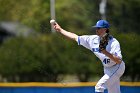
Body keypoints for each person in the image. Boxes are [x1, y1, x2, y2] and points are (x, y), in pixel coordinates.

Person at [51, 19, 125, 93]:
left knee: (99, 87)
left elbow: (118, 61)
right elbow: (75, 37)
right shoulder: (92, 39)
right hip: (107, 68)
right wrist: (60, 30)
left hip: (117, 67)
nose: (96, 30)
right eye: (96, 28)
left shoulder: (114, 43)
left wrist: (105, 52)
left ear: (105, 29)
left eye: (99, 28)